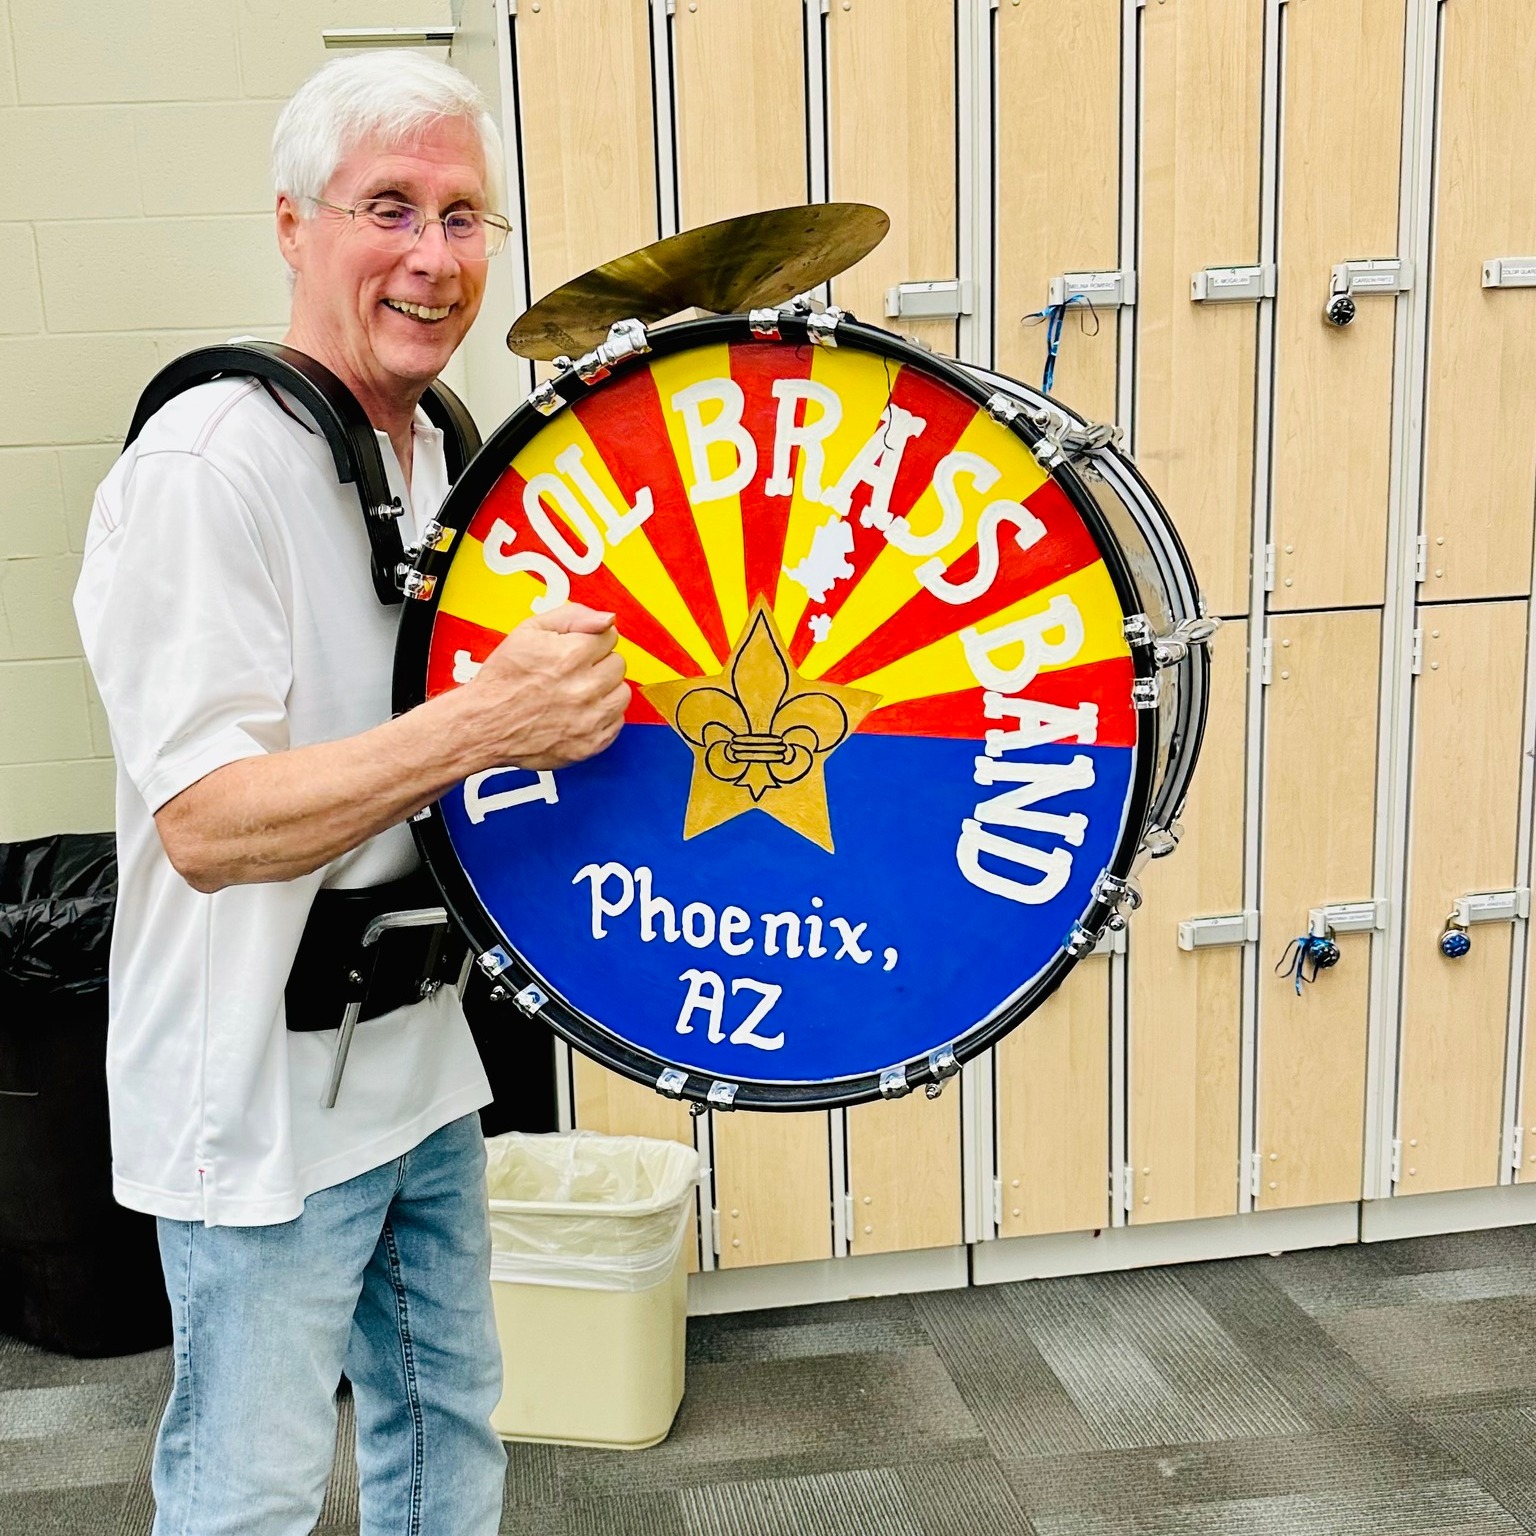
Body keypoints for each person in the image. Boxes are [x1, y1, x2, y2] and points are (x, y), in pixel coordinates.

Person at [73, 50, 627, 1536]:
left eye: (465, 216)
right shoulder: (208, 469)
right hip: (257, 1086)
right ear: (295, 225)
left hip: (418, 1060)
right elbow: (208, 824)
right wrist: (478, 723)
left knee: (449, 1434)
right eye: (391, 208)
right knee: (249, 1489)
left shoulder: (447, 453)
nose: (435, 260)